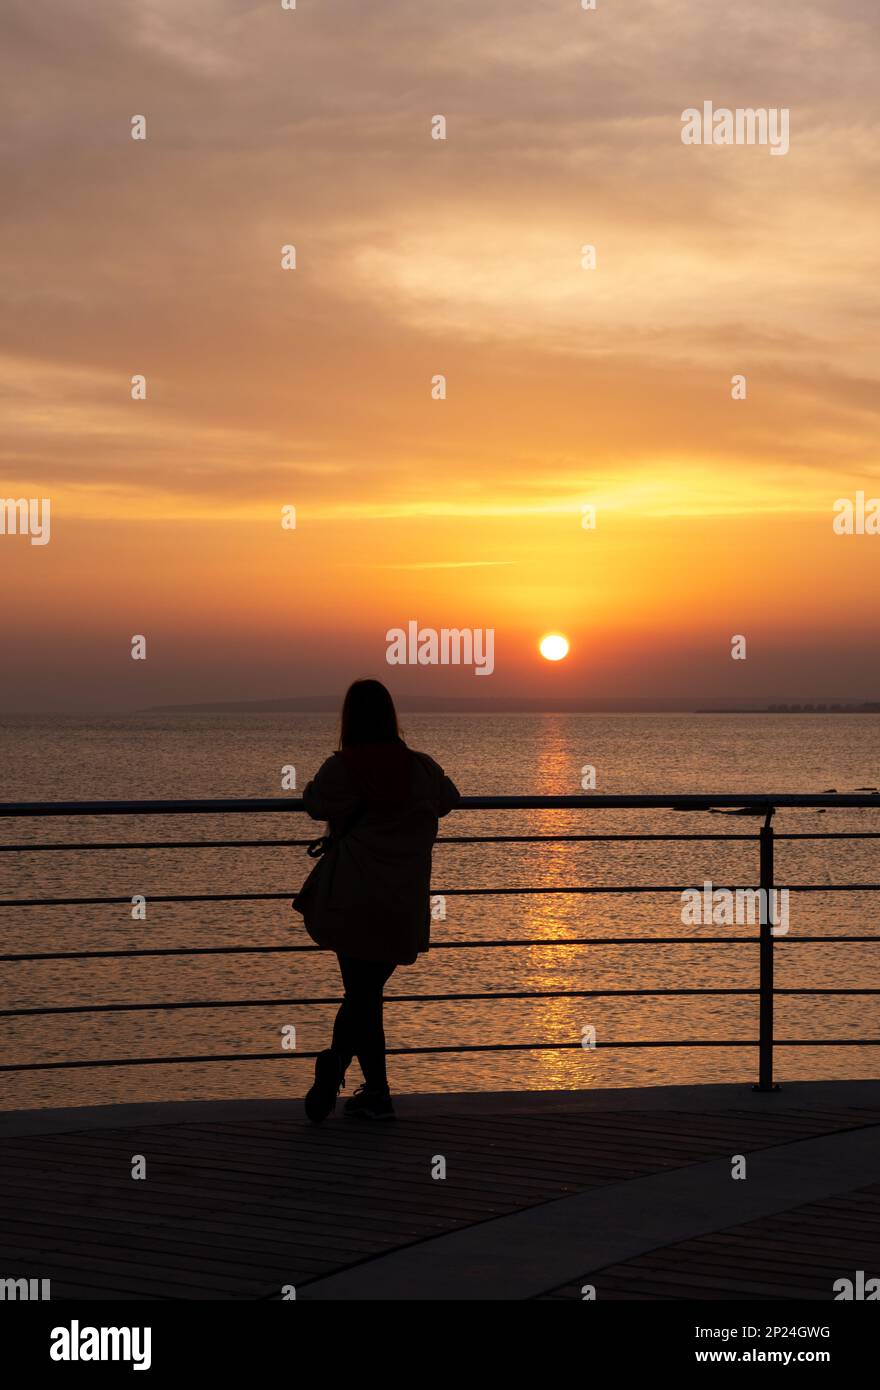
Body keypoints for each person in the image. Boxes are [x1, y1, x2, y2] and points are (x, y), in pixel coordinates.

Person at [301, 679, 459, 1122]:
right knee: (367, 995)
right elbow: (450, 798)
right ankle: (376, 1091)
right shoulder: (421, 769)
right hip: (400, 901)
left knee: (362, 993)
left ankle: (336, 1064)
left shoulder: (343, 768)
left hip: (352, 897)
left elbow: (313, 802)